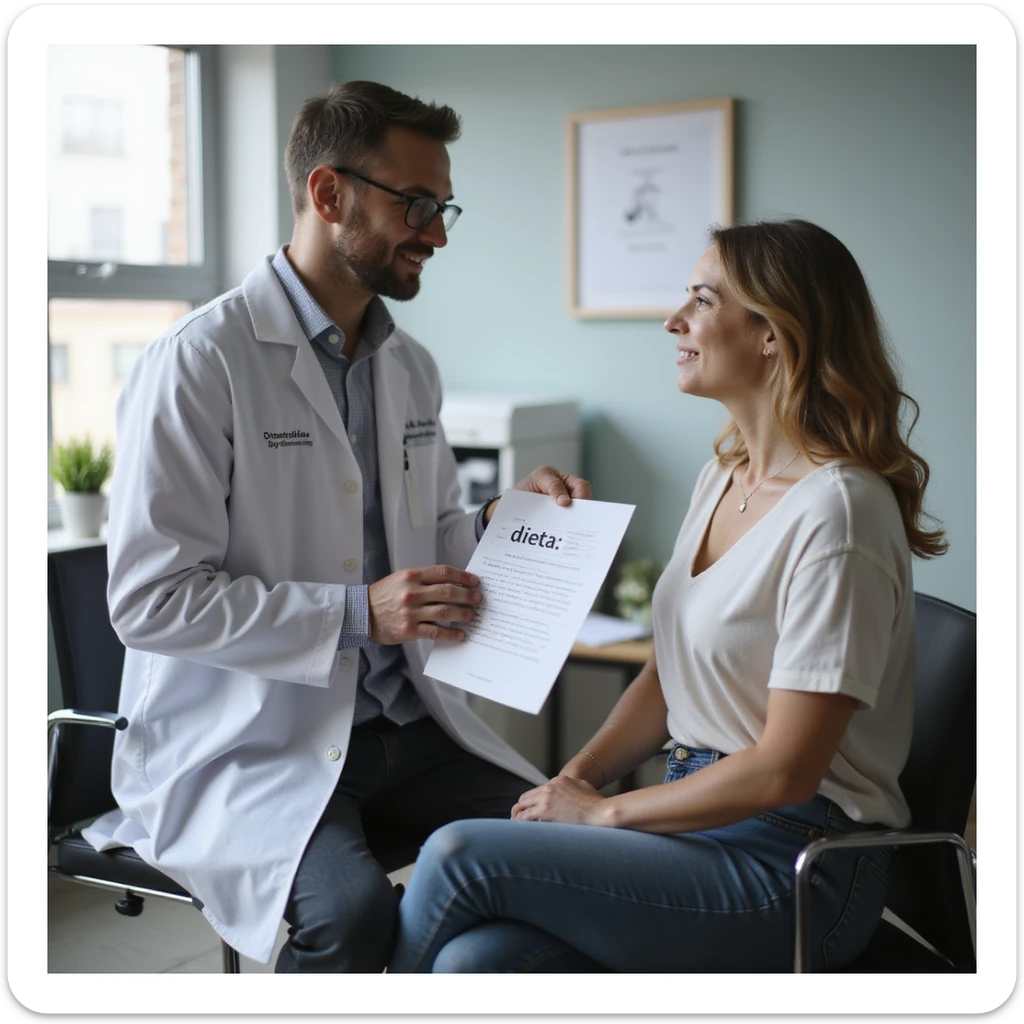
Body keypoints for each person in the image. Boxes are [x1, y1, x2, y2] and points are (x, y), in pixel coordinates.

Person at [81, 80, 589, 973]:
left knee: (567, 848)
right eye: (417, 204)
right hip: (252, 742)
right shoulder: (200, 363)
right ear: (329, 194)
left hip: (409, 728)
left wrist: (498, 523)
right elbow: (150, 603)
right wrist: (362, 614)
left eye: (444, 207)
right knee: (351, 918)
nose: (435, 232)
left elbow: (423, 541)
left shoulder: (410, 367)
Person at [387, 218, 948, 974]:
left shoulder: (839, 511)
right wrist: (577, 777)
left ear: (773, 333)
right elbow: (666, 674)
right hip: (695, 824)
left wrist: (605, 812)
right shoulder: (723, 477)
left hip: (798, 861)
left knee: (458, 854)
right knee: (475, 965)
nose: (673, 321)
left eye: (702, 300)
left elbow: (787, 769)